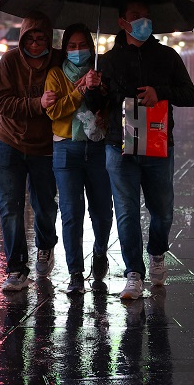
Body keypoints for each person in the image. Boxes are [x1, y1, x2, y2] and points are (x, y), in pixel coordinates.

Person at [85, 1, 194, 300]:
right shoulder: (106, 62)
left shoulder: (167, 57)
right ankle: (134, 272)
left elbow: (190, 95)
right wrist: (92, 87)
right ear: (122, 22)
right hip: (118, 146)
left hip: (158, 146)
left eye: (146, 15)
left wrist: (160, 93)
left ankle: (157, 252)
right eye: (135, 16)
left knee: (162, 210)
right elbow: (96, 107)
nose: (143, 21)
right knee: (126, 212)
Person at [0, 11, 61, 291]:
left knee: (45, 205)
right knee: (11, 208)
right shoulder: (9, 61)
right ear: (22, 39)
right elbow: (3, 103)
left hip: (45, 147)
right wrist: (37, 104)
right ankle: (17, 268)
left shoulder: (59, 61)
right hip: (9, 143)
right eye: (30, 39)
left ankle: (45, 245)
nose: (35, 44)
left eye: (41, 39)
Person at [45, 24, 113, 295]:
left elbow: (111, 104)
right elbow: (55, 112)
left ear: (91, 47)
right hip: (66, 150)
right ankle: (75, 272)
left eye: (81, 45)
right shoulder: (56, 75)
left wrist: (101, 102)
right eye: (71, 46)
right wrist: (80, 91)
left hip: (97, 150)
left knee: (102, 211)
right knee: (71, 213)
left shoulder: (99, 73)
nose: (76, 51)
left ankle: (99, 252)